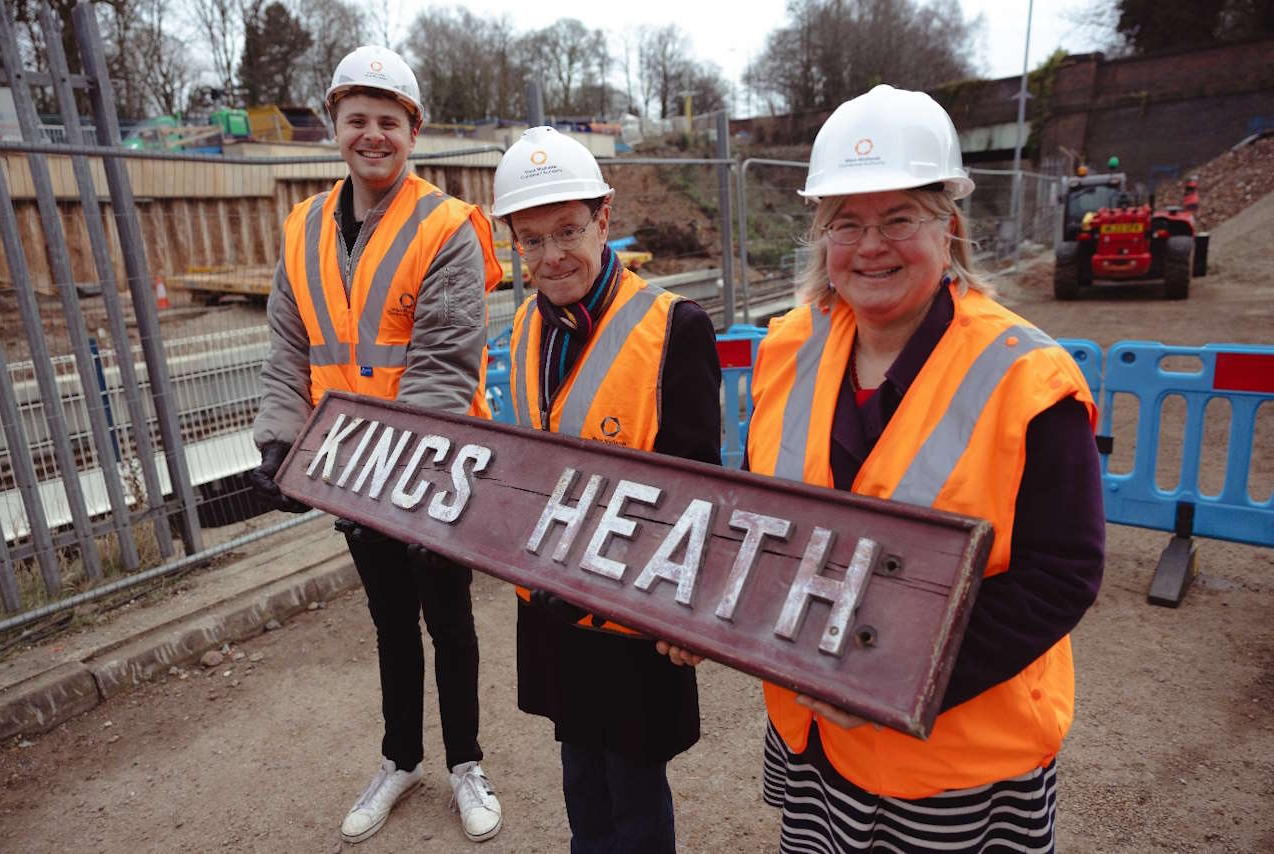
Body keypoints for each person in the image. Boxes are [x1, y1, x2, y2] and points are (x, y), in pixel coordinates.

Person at [746, 85, 1104, 852]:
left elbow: (1062, 574)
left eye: (899, 218)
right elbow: (759, 514)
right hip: (814, 733)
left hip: (952, 751)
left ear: (950, 227)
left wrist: (897, 678)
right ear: (821, 236)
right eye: (847, 223)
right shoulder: (786, 349)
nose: (870, 245)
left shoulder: (1027, 377)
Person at [248, 44, 505, 845]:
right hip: (347, 470)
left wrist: (392, 481)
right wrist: (281, 439)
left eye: (388, 121)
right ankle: (401, 758)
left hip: (430, 469)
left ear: (413, 130)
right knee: (390, 620)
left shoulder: (447, 227)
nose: (372, 134)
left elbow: (442, 362)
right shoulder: (302, 229)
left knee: (448, 620)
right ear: (334, 127)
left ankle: (466, 762)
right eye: (356, 119)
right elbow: (289, 349)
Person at [491, 126, 722, 853]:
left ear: (604, 219)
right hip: (554, 605)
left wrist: (681, 612)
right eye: (529, 240)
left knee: (634, 791)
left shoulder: (673, 327)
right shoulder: (527, 326)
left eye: (567, 230)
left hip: (632, 617)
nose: (551, 255)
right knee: (580, 772)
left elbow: (698, 485)